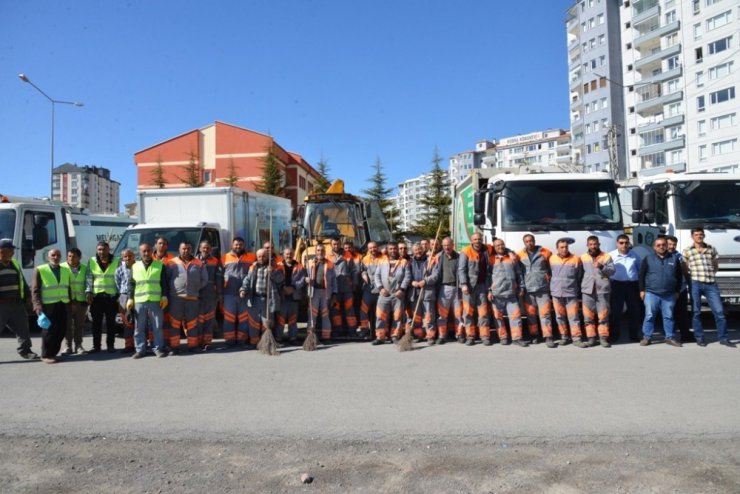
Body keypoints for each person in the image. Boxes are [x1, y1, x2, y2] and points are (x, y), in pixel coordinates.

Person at [682, 227, 732, 347]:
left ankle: (723, 338)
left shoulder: (711, 249)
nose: (699, 236)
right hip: (695, 283)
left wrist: (710, 275)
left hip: (711, 284)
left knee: (719, 311)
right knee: (696, 312)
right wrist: (691, 279)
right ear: (692, 236)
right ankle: (700, 338)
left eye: (701, 234)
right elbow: (684, 268)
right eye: (696, 234)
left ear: (704, 236)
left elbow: (715, 265)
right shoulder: (687, 250)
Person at [639, 237, 683, 347]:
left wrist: (677, 291)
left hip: (669, 294)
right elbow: (641, 275)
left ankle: (670, 337)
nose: (661, 247)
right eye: (658, 245)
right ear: (654, 247)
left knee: (668, 316)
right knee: (649, 315)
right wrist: (642, 290)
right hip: (651, 293)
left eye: (663, 244)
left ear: (666, 246)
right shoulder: (648, 258)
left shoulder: (674, 259)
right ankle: (647, 337)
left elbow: (679, 276)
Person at [127, 243, 168, 359]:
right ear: (140, 252)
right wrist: (130, 298)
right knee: (139, 328)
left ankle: (158, 349)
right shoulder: (134, 266)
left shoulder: (160, 265)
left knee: (157, 327)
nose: (146, 253)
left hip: (156, 301)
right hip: (139, 302)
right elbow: (131, 284)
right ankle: (140, 350)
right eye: (144, 251)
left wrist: (164, 296)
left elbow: (164, 283)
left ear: (152, 251)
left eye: (148, 251)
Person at [165, 241, 207, 353]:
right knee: (174, 324)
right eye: (183, 248)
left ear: (191, 249)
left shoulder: (198, 263)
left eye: (188, 248)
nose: (186, 251)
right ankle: (174, 347)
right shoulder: (171, 263)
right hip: (176, 298)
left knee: (192, 324)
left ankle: (193, 346)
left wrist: (195, 288)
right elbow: (166, 279)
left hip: (192, 298)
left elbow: (204, 279)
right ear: (179, 249)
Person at [0, 238, 37, 360]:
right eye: (11, 250)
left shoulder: (14, 263)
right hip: (1, 305)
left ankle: (25, 351)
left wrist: (27, 296)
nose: (13, 252)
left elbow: (22, 281)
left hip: (16, 303)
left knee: (23, 328)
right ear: (2, 251)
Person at [31, 248, 71, 363]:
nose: (56, 257)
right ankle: (46, 355)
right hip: (48, 305)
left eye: (58, 255)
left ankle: (53, 352)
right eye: (53, 255)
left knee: (61, 330)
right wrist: (37, 305)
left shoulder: (65, 270)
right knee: (49, 331)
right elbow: (35, 290)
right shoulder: (40, 269)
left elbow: (67, 288)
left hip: (62, 304)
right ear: (48, 257)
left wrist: (70, 303)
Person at [517, 234, 555, 348]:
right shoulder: (519, 255)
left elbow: (553, 268)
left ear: (534, 241)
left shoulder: (546, 252)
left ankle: (548, 336)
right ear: (524, 243)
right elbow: (519, 273)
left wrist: (550, 280)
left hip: (542, 288)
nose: (529, 243)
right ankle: (534, 335)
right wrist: (521, 287)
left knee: (545, 314)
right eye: (527, 241)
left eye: (531, 241)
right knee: (530, 315)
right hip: (528, 290)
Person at [241, 248, 284, 346]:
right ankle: (254, 342)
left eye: (263, 256)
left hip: (268, 299)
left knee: (267, 322)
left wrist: (272, 272)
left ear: (267, 256)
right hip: (255, 298)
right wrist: (243, 289)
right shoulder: (253, 267)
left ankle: (265, 343)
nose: (261, 258)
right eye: (259, 256)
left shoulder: (275, 267)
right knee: (253, 322)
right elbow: (247, 280)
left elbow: (280, 280)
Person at [488, 239, 526, 346]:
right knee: (498, 317)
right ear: (494, 248)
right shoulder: (491, 259)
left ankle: (517, 338)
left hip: (511, 293)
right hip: (496, 293)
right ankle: (503, 337)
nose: (500, 247)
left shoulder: (511, 258)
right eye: (497, 245)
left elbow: (519, 273)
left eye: (502, 244)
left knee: (516, 316)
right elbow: (487, 277)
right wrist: (489, 290)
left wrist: (521, 287)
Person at [550, 238, 586, 347]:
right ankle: (564, 337)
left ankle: (576, 338)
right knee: (559, 316)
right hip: (556, 293)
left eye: (566, 247)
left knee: (573, 316)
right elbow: (549, 273)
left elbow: (579, 275)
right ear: (557, 248)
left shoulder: (575, 259)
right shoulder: (552, 259)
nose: (564, 249)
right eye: (562, 247)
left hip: (571, 292)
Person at [373, 241, 411, 345]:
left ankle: (395, 335)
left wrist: (402, 289)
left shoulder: (404, 262)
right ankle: (380, 337)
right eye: (391, 249)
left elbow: (407, 277)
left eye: (395, 248)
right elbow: (377, 276)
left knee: (397, 316)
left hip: (397, 294)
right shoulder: (381, 261)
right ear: (387, 250)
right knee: (380, 315)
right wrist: (380, 288)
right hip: (384, 293)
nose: (393, 251)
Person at [580, 236, 615, 348]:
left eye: (595, 244)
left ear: (599, 244)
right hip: (587, 290)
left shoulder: (606, 256)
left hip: (602, 290)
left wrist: (601, 266)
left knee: (603, 315)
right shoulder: (583, 257)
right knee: (588, 316)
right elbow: (579, 274)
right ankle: (591, 339)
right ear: (587, 245)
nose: (593, 246)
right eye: (591, 244)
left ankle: (603, 338)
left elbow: (612, 271)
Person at [86, 241, 120, 353]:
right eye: (99, 249)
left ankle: (110, 345)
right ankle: (96, 346)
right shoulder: (92, 261)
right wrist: (88, 292)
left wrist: (120, 295)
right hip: (97, 297)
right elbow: (89, 278)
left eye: (104, 249)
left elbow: (120, 278)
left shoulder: (116, 260)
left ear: (108, 249)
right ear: (96, 250)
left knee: (111, 323)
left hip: (111, 297)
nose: (102, 252)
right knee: (96, 323)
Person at [458, 233, 492, 345]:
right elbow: (461, 269)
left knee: (483, 313)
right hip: (469, 287)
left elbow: (501, 246)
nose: (477, 241)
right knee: (468, 313)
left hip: (482, 286)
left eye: (479, 239)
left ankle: (485, 336)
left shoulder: (487, 249)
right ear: (471, 241)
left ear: (482, 240)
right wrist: (463, 284)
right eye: (475, 239)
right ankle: (470, 336)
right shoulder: (466, 251)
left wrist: (510, 253)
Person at [608, 234, 642, 343]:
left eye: (626, 243)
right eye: (621, 243)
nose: (624, 245)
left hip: (632, 286)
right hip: (617, 285)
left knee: (634, 312)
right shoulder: (611, 256)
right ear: (617, 243)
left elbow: (640, 269)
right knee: (615, 312)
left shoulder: (635, 255)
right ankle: (614, 335)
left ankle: (634, 335)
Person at [221, 237, 254, 346]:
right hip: (229, 293)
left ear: (244, 245)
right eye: (236, 244)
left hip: (245, 293)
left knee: (244, 318)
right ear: (232, 245)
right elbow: (219, 275)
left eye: (240, 244)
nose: (238, 246)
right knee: (229, 318)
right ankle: (229, 341)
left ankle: (242, 340)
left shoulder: (251, 257)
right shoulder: (225, 257)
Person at [407, 243, 438, 341]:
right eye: (415, 250)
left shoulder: (430, 261)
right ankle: (419, 335)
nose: (418, 251)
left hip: (427, 291)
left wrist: (425, 281)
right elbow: (407, 275)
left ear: (423, 249)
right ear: (413, 252)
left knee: (429, 315)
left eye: (419, 249)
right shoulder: (410, 262)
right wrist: (412, 282)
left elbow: (436, 276)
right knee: (417, 316)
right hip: (414, 292)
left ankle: (430, 336)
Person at [433, 237, 462, 345]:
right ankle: (442, 336)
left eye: (448, 245)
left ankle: (459, 334)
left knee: (458, 314)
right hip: (444, 289)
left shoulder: (459, 257)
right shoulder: (439, 257)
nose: (446, 247)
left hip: (457, 288)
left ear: (452, 245)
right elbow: (434, 271)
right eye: (444, 245)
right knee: (442, 315)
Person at [306, 244, 337, 342]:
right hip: (313, 292)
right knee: (312, 315)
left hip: (325, 292)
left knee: (325, 315)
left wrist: (334, 293)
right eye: (318, 250)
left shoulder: (330, 264)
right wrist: (306, 279)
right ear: (316, 252)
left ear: (325, 252)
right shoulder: (309, 262)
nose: (320, 252)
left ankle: (326, 336)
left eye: (322, 250)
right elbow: (304, 275)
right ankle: (310, 337)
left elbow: (334, 280)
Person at [666, 235, 693, 342]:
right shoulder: (660, 256)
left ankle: (685, 335)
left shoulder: (680, 257)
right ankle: (670, 336)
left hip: (680, 289)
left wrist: (688, 285)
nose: (672, 247)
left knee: (682, 313)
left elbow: (686, 272)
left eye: (674, 244)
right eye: (669, 244)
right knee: (669, 314)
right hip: (667, 290)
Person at [61, 248, 89, 355]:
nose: (71, 258)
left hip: (81, 302)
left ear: (79, 258)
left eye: (74, 256)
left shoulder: (85, 268)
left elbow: (88, 284)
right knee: (67, 325)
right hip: (67, 301)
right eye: (69, 256)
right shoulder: (62, 267)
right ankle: (68, 346)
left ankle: (79, 345)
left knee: (79, 325)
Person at [328, 238, 358, 336]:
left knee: (350, 309)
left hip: (347, 287)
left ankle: (352, 330)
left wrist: (355, 283)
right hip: (334, 288)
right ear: (331, 245)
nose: (336, 246)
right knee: (335, 310)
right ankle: (338, 330)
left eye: (338, 244)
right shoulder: (327, 256)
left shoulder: (347, 254)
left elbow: (354, 270)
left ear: (340, 244)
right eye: (334, 244)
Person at [197, 240, 223, 351]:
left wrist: (219, 293)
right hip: (196, 294)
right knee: (197, 319)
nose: (206, 250)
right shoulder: (194, 260)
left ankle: (207, 342)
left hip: (210, 294)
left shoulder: (215, 261)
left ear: (210, 249)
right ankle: (197, 342)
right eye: (204, 248)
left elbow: (219, 278)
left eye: (208, 248)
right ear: (200, 249)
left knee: (209, 319)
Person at [276, 248, 306, 345]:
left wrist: (293, 287)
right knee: (280, 319)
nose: (289, 256)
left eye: (290, 254)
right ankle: (278, 338)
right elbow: (276, 278)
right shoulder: (278, 266)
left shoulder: (300, 266)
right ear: (283, 255)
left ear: (293, 254)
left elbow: (302, 280)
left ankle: (293, 338)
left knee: (293, 319)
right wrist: (283, 288)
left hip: (294, 295)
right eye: (287, 254)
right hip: (282, 295)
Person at [359, 241, 384, 340]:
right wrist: (364, 274)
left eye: (374, 247)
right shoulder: (365, 259)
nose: (373, 249)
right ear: (368, 249)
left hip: (380, 290)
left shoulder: (383, 258)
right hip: (368, 289)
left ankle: (380, 332)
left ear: (377, 248)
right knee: (363, 311)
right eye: (371, 248)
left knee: (380, 312)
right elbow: (362, 270)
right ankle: (365, 330)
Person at [115, 248, 136, 353]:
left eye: (130, 256)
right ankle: (129, 345)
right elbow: (117, 283)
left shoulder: (138, 267)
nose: (128, 258)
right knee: (127, 322)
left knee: (140, 321)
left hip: (138, 296)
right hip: (124, 297)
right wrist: (123, 295)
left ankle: (142, 344)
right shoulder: (119, 269)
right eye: (125, 256)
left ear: (134, 256)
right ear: (122, 258)